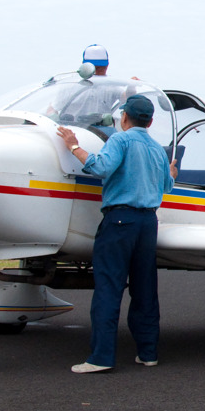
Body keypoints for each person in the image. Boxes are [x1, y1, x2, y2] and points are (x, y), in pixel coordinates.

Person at [57, 94, 178, 373]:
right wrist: (170, 171)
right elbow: (166, 186)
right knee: (145, 289)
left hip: (120, 220)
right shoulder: (157, 149)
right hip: (148, 224)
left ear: (124, 117)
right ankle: (148, 352)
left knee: (109, 289)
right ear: (150, 121)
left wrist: (73, 146)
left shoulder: (120, 140)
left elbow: (101, 167)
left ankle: (100, 357)